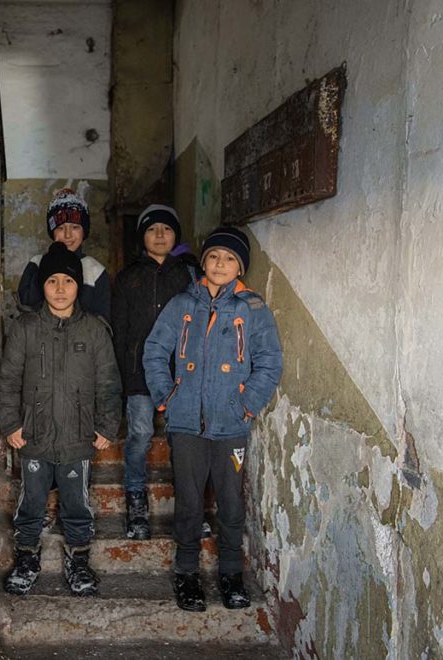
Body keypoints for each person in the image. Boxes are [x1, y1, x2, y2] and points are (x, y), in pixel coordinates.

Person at [142, 226, 283, 612]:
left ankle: (231, 574)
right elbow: (155, 349)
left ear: (240, 267)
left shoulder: (252, 309)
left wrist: (245, 405)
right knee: (189, 504)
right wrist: (167, 397)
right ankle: (187, 573)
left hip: (230, 425)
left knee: (231, 505)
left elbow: (269, 361)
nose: (221, 264)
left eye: (230, 258)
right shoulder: (182, 304)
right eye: (214, 257)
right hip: (186, 423)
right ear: (204, 262)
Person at [0, 242, 122, 597]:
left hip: (78, 437)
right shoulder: (25, 328)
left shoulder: (94, 330)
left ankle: (78, 560)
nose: (60, 289)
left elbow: (109, 383)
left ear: (78, 285)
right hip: (33, 435)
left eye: (67, 281)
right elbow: (8, 379)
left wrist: (106, 426)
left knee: (77, 504)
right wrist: (11, 424)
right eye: (52, 281)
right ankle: (26, 557)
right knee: (31, 501)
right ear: (43, 286)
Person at [111, 205, 197, 540]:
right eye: (151, 229)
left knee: (181, 439)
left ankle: (188, 507)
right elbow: (120, 329)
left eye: (166, 228)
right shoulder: (128, 276)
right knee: (140, 433)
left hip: (180, 373)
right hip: (138, 373)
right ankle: (136, 501)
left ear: (176, 235)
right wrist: (123, 376)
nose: (159, 235)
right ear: (142, 237)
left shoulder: (189, 275)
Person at [17, 188, 111, 320]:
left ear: (84, 231)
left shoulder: (95, 270)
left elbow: (103, 319)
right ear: (52, 231)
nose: (67, 235)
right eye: (60, 228)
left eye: (75, 227)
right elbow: (25, 307)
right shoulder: (37, 263)